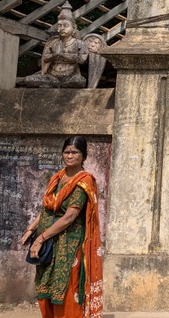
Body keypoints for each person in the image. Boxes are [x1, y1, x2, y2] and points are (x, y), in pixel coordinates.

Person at [20, 135, 103, 318]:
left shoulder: (84, 181)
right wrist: (31, 229)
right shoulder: (57, 178)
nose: (70, 156)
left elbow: (69, 217)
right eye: (66, 152)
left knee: (67, 289)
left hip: (68, 244)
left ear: (83, 155)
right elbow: (47, 209)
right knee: (45, 287)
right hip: (49, 241)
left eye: (75, 152)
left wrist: (40, 239)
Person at [24, 3, 87, 88]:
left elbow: (81, 60)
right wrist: (54, 55)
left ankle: (58, 85)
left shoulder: (80, 43)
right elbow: (45, 58)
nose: (62, 28)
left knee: (80, 81)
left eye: (66, 25)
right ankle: (55, 83)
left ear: (74, 28)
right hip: (52, 76)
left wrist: (63, 55)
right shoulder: (53, 43)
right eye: (59, 25)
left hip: (71, 76)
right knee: (29, 79)